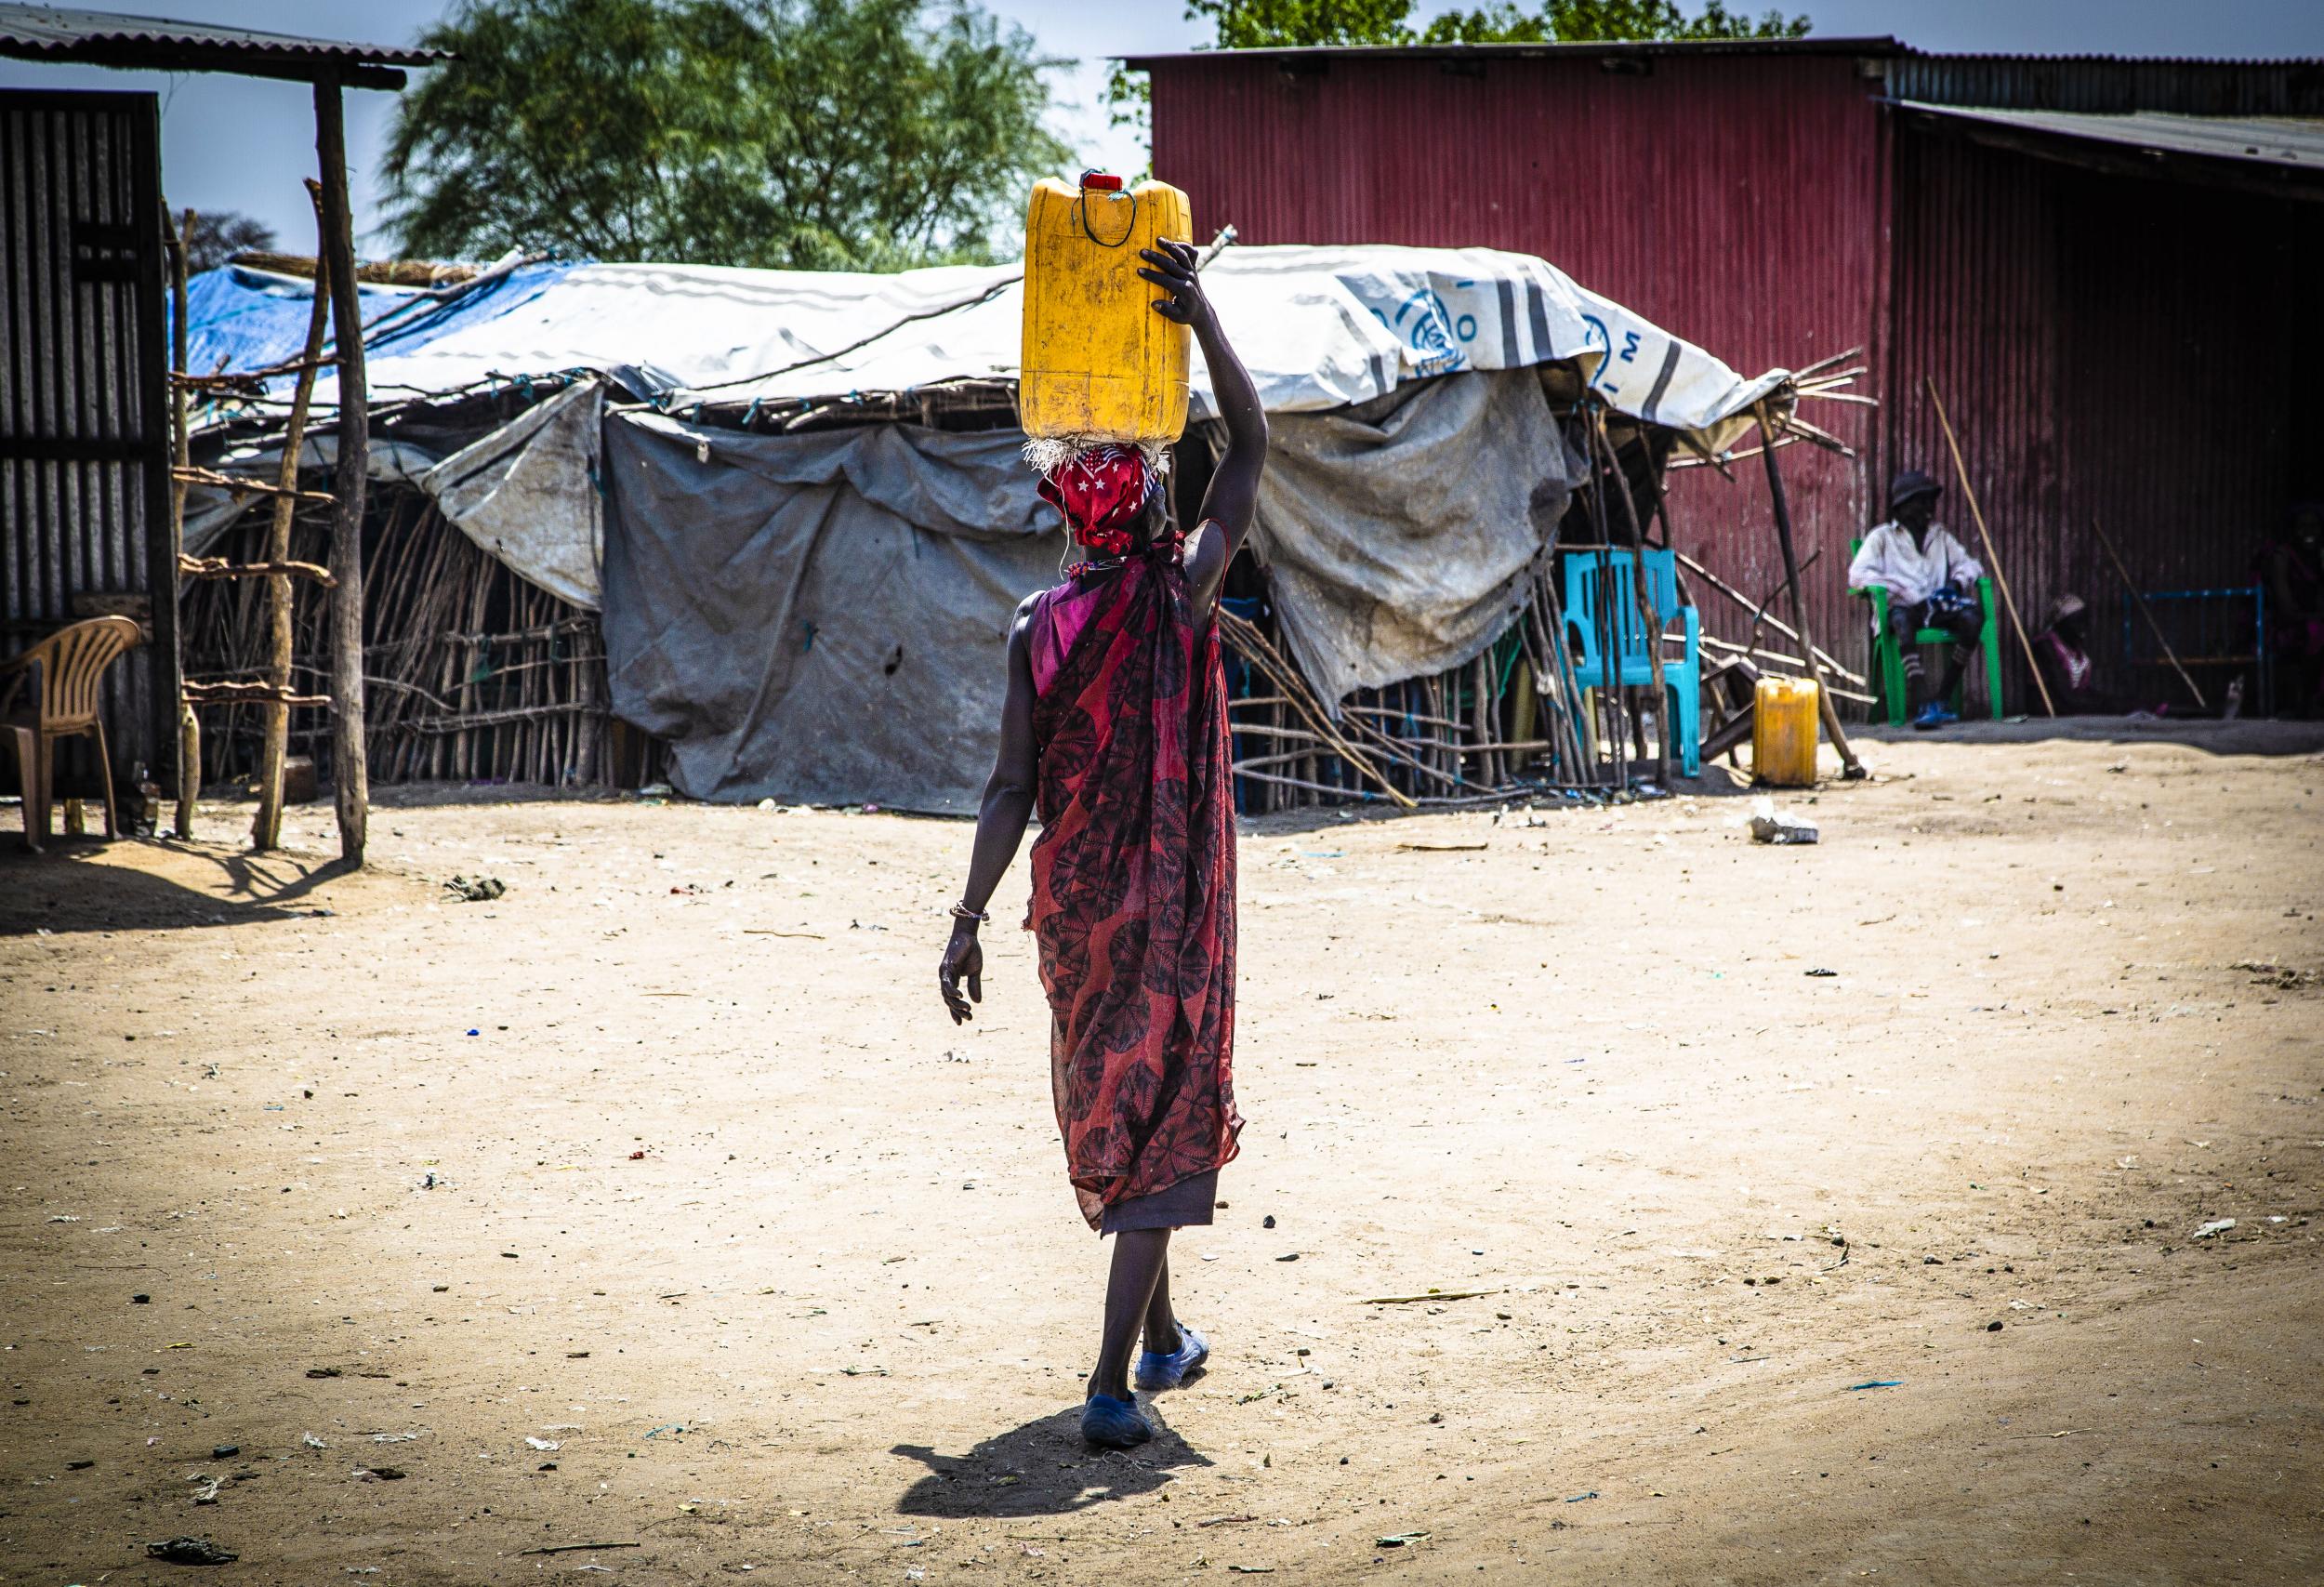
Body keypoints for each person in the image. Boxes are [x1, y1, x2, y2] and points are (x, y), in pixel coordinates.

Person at [935, 239, 1267, 1450]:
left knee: (1129, 1116)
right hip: (1168, 912)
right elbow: (1252, 450)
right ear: (1153, 503)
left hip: (1075, 919)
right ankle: (1111, 1381)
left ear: (1062, 506)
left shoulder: (1038, 623)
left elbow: (1007, 785)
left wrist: (966, 921)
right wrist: (1205, 315)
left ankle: (1166, 1336)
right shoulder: (1180, 593)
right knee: (1161, 1126)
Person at [1849, 469, 1986, 729]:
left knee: (1973, 617)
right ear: (1901, 508)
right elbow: (1858, 576)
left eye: (1930, 500)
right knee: (1901, 619)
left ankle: (1943, 699)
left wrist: (1955, 583)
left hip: (1936, 607)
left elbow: (1970, 564)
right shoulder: (1882, 537)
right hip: (1903, 609)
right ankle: (1923, 701)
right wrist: (1901, 589)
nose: (1929, 507)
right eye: (1920, 501)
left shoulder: (1940, 536)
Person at [2032, 592, 2096, 709]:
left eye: (2084, 620)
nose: (2083, 626)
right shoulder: (2045, 646)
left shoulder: (2075, 648)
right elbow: (2064, 696)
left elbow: (2083, 691)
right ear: (2060, 623)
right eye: (2076, 621)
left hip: (2072, 703)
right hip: (2051, 707)